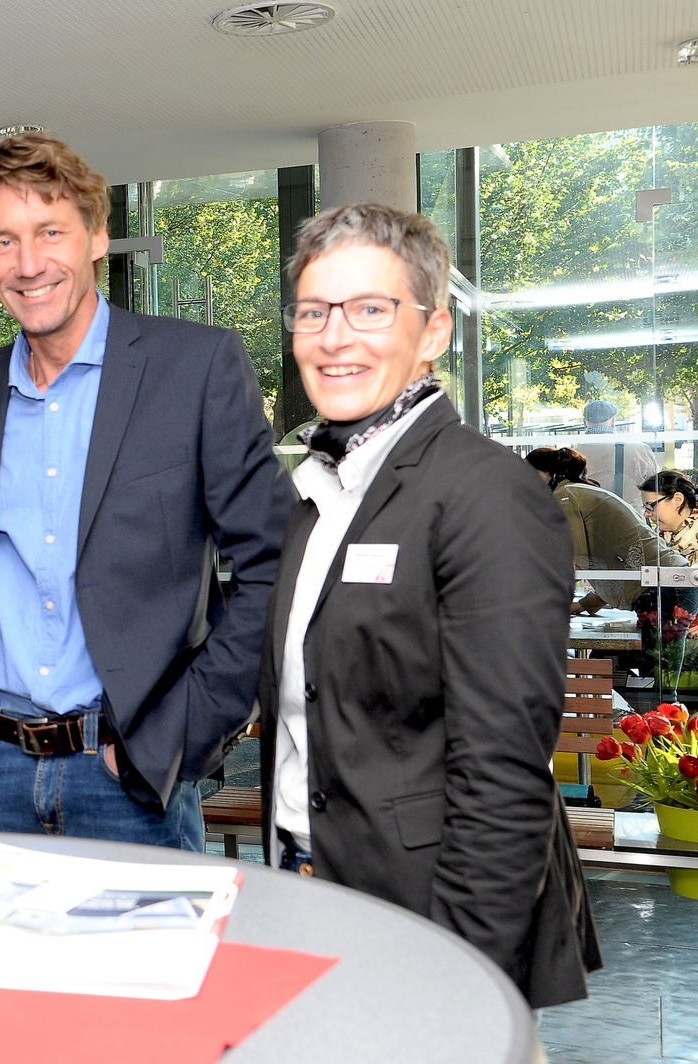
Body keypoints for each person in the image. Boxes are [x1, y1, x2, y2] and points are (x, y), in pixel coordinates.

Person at [0, 132, 292, 850]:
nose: (28, 264)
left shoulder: (195, 369)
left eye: (50, 232)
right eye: (3, 241)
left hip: (131, 773)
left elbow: (275, 569)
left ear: (97, 236)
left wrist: (180, 736)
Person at [259, 203, 599, 1008]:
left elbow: (504, 774)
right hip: (308, 885)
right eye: (314, 311)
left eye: (370, 310)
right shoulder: (317, 494)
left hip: (429, 917)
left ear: (434, 331)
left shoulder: (485, 494)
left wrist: (459, 983)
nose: (334, 337)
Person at [526, 446, 687, 611]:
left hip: (661, 585)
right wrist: (583, 605)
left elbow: (574, 561)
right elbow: (611, 559)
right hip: (671, 580)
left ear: (549, 473)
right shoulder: (579, 491)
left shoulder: (564, 496)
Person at [575, 398, 657, 507]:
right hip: (632, 515)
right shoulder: (640, 449)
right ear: (613, 422)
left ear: (585, 423)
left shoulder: (575, 454)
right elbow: (654, 487)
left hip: (590, 516)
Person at [641, 469, 698, 565]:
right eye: (645, 507)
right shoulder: (657, 541)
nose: (646, 514)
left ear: (678, 500)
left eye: (650, 506)